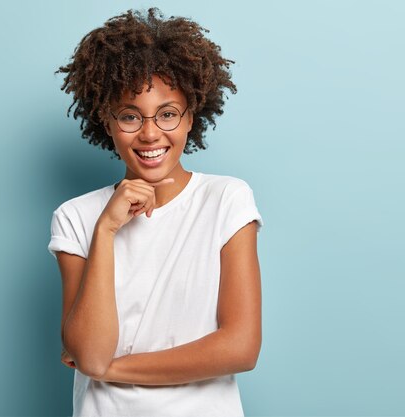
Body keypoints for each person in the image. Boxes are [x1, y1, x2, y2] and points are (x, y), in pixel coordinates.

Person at [47, 7, 264, 417]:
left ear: (190, 118)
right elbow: (90, 351)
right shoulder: (76, 216)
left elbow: (241, 347)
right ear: (106, 121)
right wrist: (106, 230)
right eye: (130, 116)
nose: (149, 133)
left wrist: (110, 369)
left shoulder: (226, 199)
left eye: (167, 114)